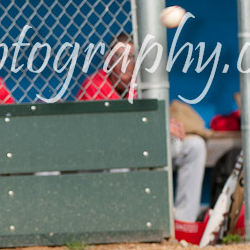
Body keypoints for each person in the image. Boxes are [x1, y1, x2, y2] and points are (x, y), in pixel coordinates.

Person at [76, 32, 207, 223]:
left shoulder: (143, 85)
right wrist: (157, 125)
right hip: (103, 156)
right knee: (121, 154)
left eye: (130, 57)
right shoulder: (95, 85)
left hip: (143, 145)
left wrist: (167, 123)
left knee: (195, 146)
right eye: (118, 56)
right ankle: (125, 220)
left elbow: (154, 119)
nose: (125, 62)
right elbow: (108, 133)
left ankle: (183, 222)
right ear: (108, 60)